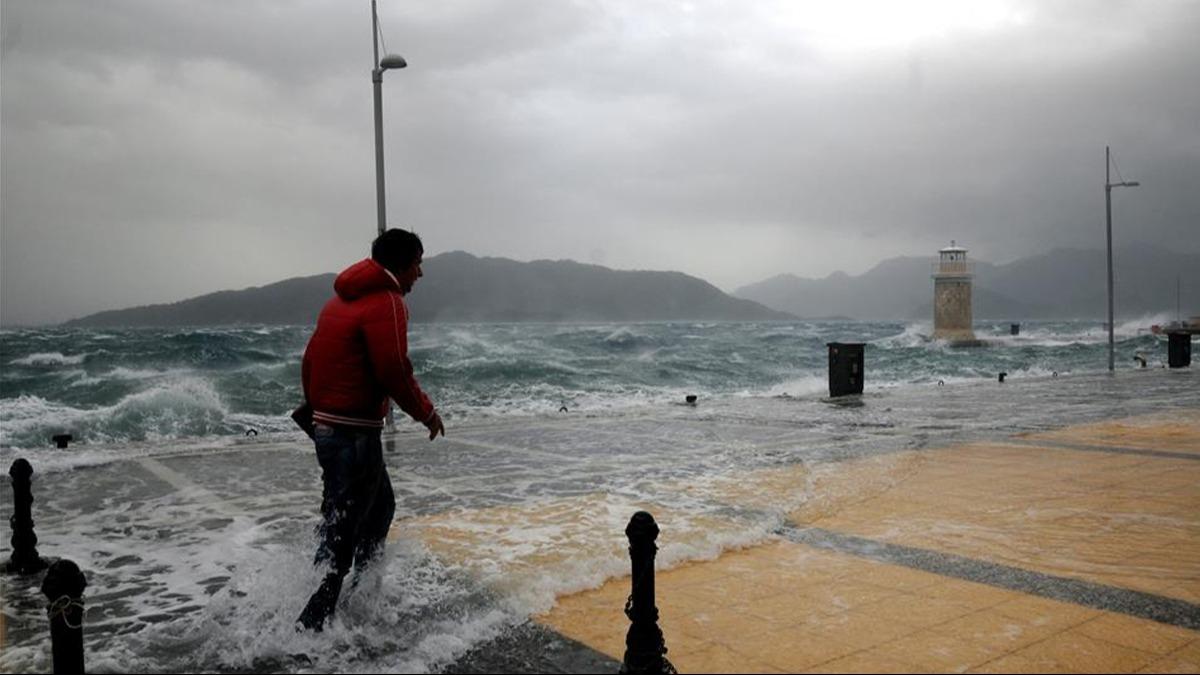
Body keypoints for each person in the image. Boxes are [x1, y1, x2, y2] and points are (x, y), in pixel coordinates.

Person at [296, 228, 445, 631]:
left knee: (368, 511)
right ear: (401, 263)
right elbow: (394, 369)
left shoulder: (338, 301)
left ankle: (357, 598)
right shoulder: (387, 302)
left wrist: (319, 411)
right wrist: (427, 413)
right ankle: (312, 625)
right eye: (418, 263)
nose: (420, 273)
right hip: (354, 434)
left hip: (329, 427)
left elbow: (310, 359)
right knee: (348, 525)